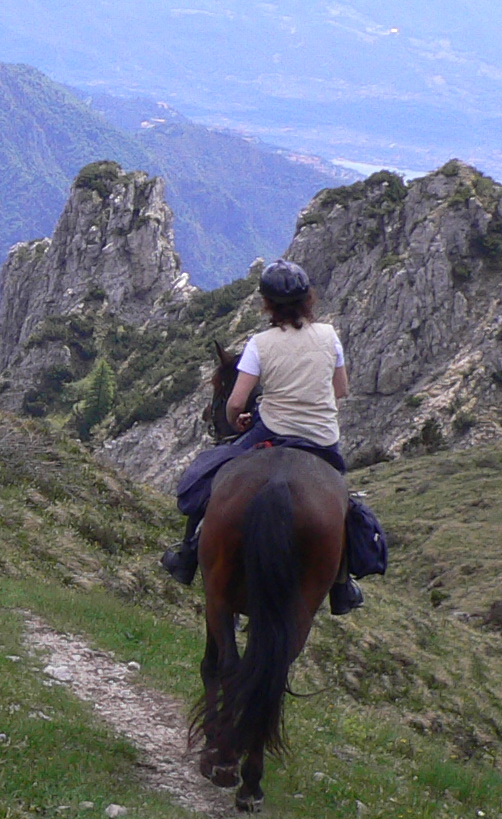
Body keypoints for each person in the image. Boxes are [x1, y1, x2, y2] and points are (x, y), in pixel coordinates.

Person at [161, 259, 375, 614]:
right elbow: (341, 390)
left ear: (267, 304)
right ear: (308, 299)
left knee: (213, 474)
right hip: (321, 438)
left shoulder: (260, 344)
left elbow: (235, 403)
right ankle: (342, 585)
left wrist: (239, 420)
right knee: (341, 500)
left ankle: (187, 554)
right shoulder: (329, 336)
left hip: (271, 430)